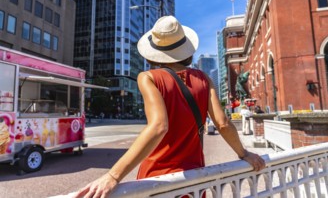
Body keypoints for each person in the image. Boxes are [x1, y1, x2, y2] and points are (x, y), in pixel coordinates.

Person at [74, 16, 265, 198]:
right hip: (193, 177)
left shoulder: (148, 77)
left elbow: (159, 126)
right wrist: (244, 153)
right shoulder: (204, 79)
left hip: (157, 178)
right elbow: (222, 123)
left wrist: (113, 176)